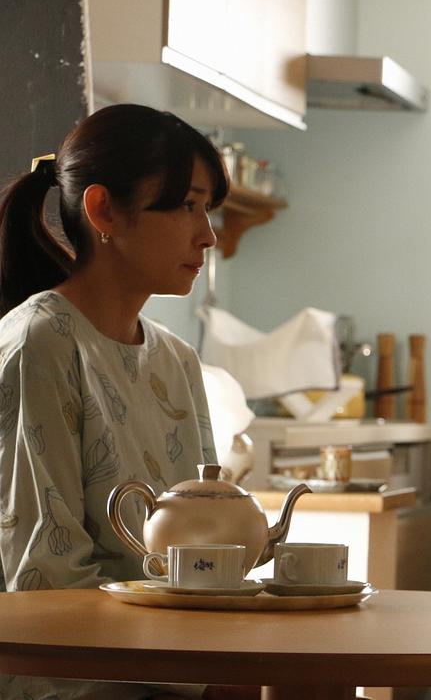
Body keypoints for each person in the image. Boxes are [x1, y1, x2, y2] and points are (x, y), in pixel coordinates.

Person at [0, 104, 257, 699]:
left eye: (208, 210)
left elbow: (202, 542)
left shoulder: (176, 359)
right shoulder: (41, 343)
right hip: (72, 684)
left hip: (170, 671)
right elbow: (46, 579)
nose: (208, 235)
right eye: (187, 205)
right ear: (104, 210)